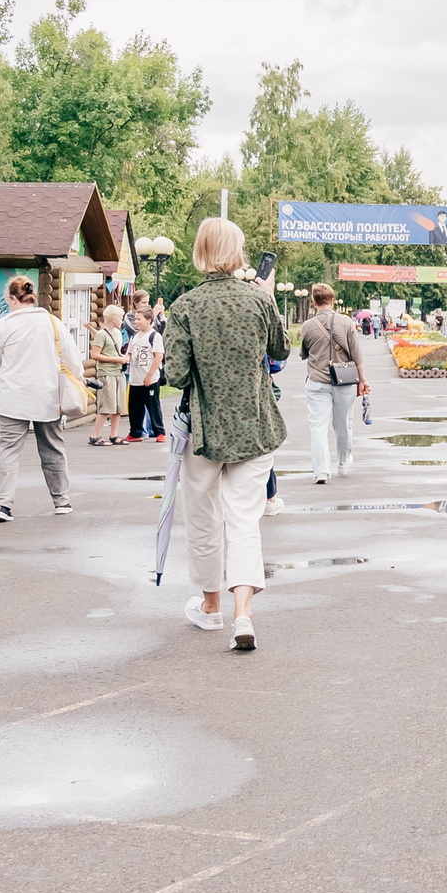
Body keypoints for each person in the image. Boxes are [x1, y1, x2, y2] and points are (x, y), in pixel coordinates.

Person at [166, 217, 288, 652]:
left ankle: (211, 606)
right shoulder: (258, 300)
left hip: (204, 430)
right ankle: (243, 615)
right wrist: (268, 301)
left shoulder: (184, 308)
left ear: (200, 251)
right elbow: (280, 351)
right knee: (244, 519)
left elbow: (176, 374)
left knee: (203, 518)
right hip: (255, 426)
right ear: (237, 251)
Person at [0, 273, 83, 522]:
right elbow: (73, 359)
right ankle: (61, 500)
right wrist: (78, 378)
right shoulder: (53, 323)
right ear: (31, 297)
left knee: (9, 451)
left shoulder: (4, 325)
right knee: (53, 449)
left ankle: (3, 505)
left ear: (13, 299)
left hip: (12, 398)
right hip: (48, 396)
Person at [298, 282, 367, 481]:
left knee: (317, 427)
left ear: (313, 301)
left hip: (318, 380)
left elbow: (304, 353)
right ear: (333, 300)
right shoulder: (346, 323)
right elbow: (357, 355)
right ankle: (344, 463)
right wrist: (362, 381)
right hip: (344, 380)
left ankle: (321, 471)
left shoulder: (307, 326)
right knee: (343, 424)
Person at [88, 304, 129, 444]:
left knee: (117, 407)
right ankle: (95, 435)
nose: (122, 321)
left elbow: (114, 351)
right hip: (106, 374)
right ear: (113, 319)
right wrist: (117, 359)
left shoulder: (117, 333)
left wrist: (123, 357)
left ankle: (114, 434)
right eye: (120, 318)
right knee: (106, 406)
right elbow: (95, 354)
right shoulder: (101, 334)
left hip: (118, 372)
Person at [124, 308, 164, 443]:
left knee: (152, 406)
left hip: (150, 378)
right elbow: (129, 353)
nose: (136, 322)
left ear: (149, 320)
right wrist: (125, 359)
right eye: (135, 319)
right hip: (135, 378)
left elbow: (158, 356)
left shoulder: (154, 336)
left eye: (139, 319)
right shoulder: (135, 336)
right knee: (134, 407)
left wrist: (149, 375)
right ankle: (135, 432)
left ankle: (159, 431)